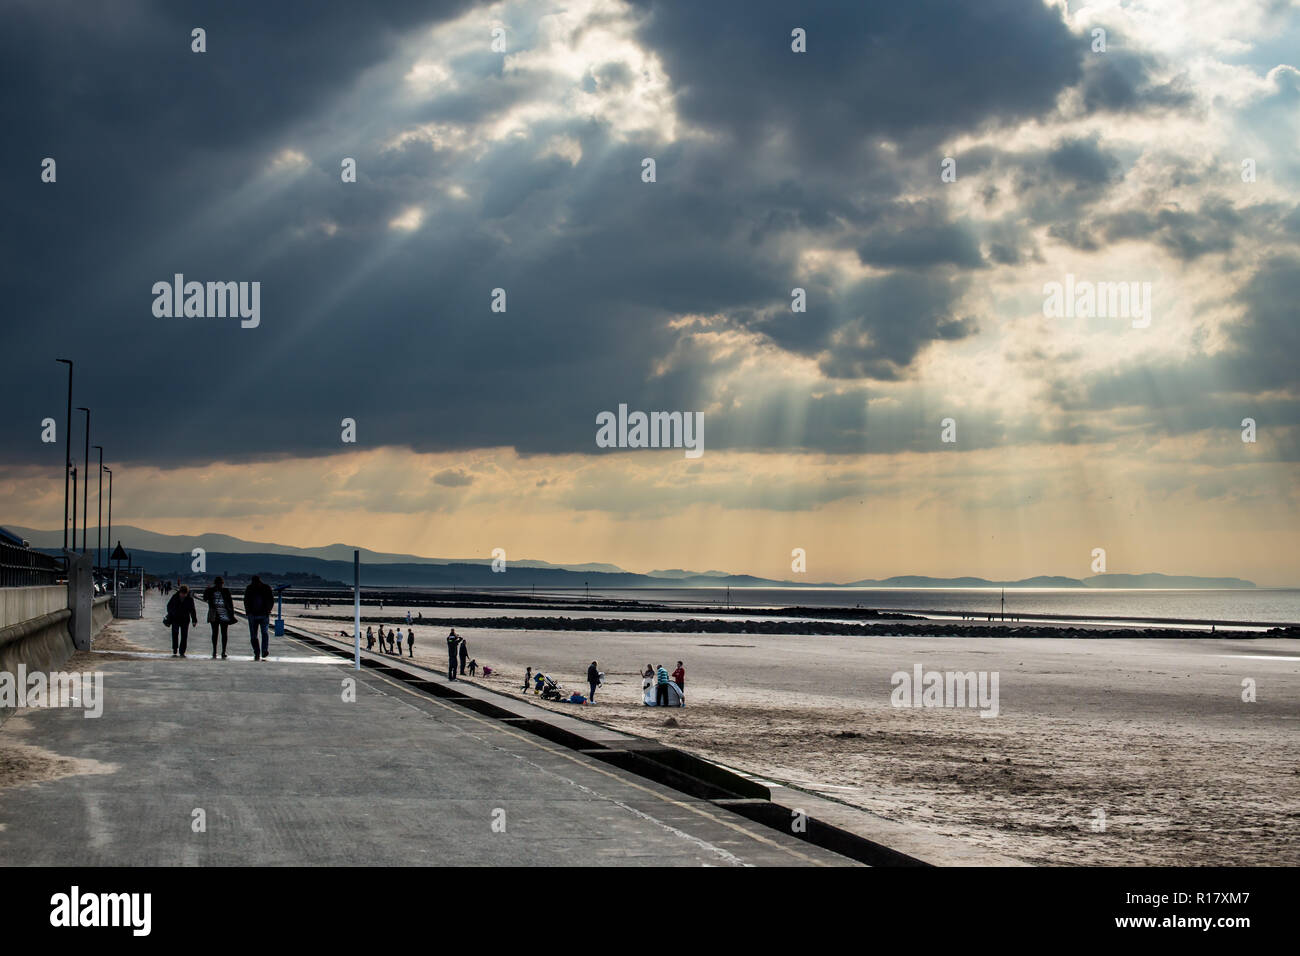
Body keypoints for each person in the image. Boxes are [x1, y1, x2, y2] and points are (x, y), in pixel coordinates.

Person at [203, 576, 236, 659]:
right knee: (222, 633)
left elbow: (230, 603)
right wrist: (232, 614)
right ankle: (220, 651)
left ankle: (217, 651)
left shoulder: (222, 590)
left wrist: (207, 590)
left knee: (217, 633)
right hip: (219, 614)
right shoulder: (221, 590)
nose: (219, 585)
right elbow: (230, 603)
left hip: (220, 614)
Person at [243, 574, 274, 661]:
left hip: (257, 615)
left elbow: (245, 600)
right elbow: (271, 600)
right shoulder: (266, 587)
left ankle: (259, 651)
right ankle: (262, 651)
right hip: (260, 614)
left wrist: (248, 611)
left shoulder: (250, 588)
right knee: (263, 633)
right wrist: (268, 610)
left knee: (255, 635)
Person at [166, 585, 198, 657]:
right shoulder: (175, 597)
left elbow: (192, 610)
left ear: (187, 593)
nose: (183, 595)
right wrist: (171, 613)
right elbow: (169, 606)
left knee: (184, 635)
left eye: (184, 594)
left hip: (185, 620)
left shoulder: (190, 599)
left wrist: (194, 620)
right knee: (175, 634)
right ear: (179, 592)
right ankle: (175, 648)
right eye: (182, 593)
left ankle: (182, 650)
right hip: (175, 619)